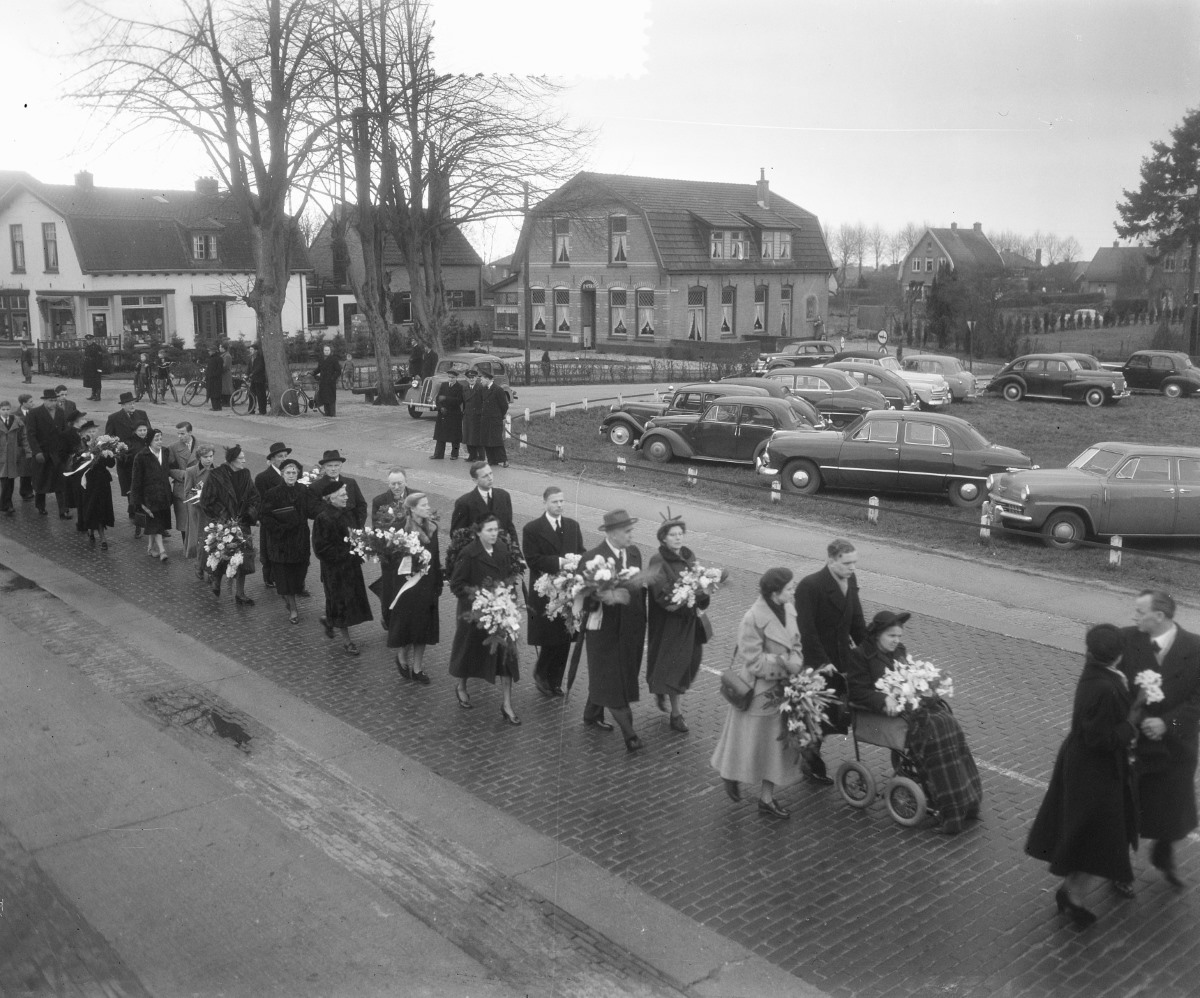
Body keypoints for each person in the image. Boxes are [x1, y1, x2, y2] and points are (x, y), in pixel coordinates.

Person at [1025, 624, 1142, 928]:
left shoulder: (1097, 674)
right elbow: (1102, 740)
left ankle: (1071, 892)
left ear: (1089, 651)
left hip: (1086, 767)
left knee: (1091, 836)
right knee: (1098, 838)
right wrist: (1133, 719)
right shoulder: (1105, 687)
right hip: (1095, 773)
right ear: (1119, 655)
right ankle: (1072, 896)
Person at [846, 610, 982, 834]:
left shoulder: (899, 651)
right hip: (882, 713)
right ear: (877, 634)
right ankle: (949, 809)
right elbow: (857, 693)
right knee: (933, 734)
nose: (896, 641)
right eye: (891, 636)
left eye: (899, 636)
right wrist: (883, 698)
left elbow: (908, 675)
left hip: (909, 708)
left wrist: (922, 685)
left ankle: (967, 800)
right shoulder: (860, 656)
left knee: (948, 723)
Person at [1119, 589, 1200, 891]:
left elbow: (1197, 701)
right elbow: (1115, 687)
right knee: (1127, 804)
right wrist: (1137, 720)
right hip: (1136, 743)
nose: (1134, 616)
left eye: (1140, 612)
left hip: (1176, 745)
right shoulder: (1125, 640)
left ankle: (1164, 854)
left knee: (1173, 805)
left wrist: (1167, 723)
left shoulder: (1196, 648)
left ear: (1160, 616)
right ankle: (1119, 868)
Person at [710, 568, 805, 819]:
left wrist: (795, 662)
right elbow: (753, 662)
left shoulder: (789, 610)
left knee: (775, 748)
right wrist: (783, 663)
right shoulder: (752, 618)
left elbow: (796, 645)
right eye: (790, 588)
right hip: (758, 693)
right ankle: (730, 774)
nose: (793, 592)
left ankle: (767, 798)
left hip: (784, 692)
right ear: (775, 593)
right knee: (747, 744)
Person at [794, 538, 867, 784]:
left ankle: (811, 752)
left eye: (855, 563)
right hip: (818, 662)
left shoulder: (851, 581)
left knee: (837, 712)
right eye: (847, 563)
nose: (852, 568)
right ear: (831, 560)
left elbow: (856, 621)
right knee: (818, 714)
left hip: (842, 659)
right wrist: (822, 662)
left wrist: (868, 652)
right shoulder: (810, 586)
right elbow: (807, 630)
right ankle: (810, 757)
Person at [581, 509, 648, 751]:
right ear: (611, 533)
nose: (631, 535)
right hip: (604, 632)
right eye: (627, 531)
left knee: (611, 677)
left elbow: (640, 591)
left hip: (631, 630)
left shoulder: (634, 553)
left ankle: (591, 712)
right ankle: (630, 735)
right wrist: (604, 596)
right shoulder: (592, 558)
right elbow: (582, 602)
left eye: (632, 530)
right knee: (611, 681)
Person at [448, 513, 521, 722]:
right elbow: (456, 584)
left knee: (507, 657)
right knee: (469, 653)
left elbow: (508, 578)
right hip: (474, 615)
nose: (494, 534)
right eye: (489, 530)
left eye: (496, 530)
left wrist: (508, 601)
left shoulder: (502, 549)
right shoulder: (469, 554)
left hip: (500, 613)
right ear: (478, 532)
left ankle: (507, 704)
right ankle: (461, 684)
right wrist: (480, 601)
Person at [646, 515, 708, 733]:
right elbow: (661, 595)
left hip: (690, 621)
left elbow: (699, 583)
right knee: (676, 666)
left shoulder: (689, 557)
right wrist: (686, 593)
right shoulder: (657, 561)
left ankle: (661, 687)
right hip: (669, 623)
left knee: (692, 661)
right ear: (663, 538)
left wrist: (703, 590)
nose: (678, 538)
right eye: (673, 535)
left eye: (680, 534)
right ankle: (676, 714)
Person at [523, 485, 586, 697]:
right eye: (554, 502)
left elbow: (581, 553)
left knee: (566, 635)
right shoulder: (532, 529)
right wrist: (559, 562)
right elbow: (532, 559)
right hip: (547, 590)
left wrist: (581, 565)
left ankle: (556, 681)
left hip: (568, 591)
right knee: (550, 637)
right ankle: (541, 674)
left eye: (561, 501)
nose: (559, 505)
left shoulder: (572, 526)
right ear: (545, 503)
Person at [384, 492, 443, 684]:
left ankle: (417, 668)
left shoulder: (432, 528)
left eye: (428, 504)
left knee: (423, 629)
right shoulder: (401, 530)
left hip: (427, 585)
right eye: (423, 505)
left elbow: (436, 556)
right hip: (408, 586)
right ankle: (402, 655)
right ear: (412, 508)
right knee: (409, 627)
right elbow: (391, 558)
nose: (428, 508)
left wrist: (438, 582)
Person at [312, 484, 373, 654]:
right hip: (336, 571)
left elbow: (355, 535)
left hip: (351, 567)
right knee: (342, 603)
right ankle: (347, 642)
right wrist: (348, 553)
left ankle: (329, 621)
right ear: (330, 498)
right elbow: (321, 549)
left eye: (346, 494)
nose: (346, 497)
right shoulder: (323, 518)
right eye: (342, 495)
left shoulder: (348, 513)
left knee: (349, 602)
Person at [200, 444, 260, 604]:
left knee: (244, 560)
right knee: (221, 554)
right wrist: (224, 516)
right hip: (223, 523)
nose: (244, 461)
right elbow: (206, 500)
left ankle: (240, 593)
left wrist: (249, 514)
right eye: (241, 458)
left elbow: (254, 497)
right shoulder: (216, 475)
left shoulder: (245, 475)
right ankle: (216, 582)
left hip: (242, 523)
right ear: (232, 460)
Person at [260, 458, 316, 625]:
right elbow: (264, 516)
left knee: (300, 574)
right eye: (288, 472)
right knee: (286, 577)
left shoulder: (304, 490)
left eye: (294, 472)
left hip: (300, 540)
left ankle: (289, 597)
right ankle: (293, 609)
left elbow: (311, 511)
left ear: (298, 474)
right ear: (282, 474)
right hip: (281, 542)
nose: (291, 475)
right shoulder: (272, 493)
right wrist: (280, 528)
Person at [130, 427, 177, 561]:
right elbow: (136, 479)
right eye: (156, 439)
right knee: (156, 523)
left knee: (156, 523)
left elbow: (170, 469)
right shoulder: (141, 456)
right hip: (149, 497)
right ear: (149, 441)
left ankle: (150, 548)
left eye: (161, 439)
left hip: (164, 495)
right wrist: (136, 500)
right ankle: (162, 551)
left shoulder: (165, 452)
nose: (159, 441)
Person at [26, 389, 69, 518]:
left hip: (57, 454)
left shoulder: (60, 413)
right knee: (41, 481)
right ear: (44, 400)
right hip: (42, 454)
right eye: (51, 401)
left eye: (55, 400)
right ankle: (41, 507)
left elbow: (64, 432)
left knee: (60, 482)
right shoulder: (34, 413)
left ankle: (63, 510)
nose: (54, 403)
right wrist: (37, 451)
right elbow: (31, 435)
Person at [254, 442, 292, 588]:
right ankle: (269, 577)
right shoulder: (263, 477)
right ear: (272, 459)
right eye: (279, 456)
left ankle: (285, 575)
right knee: (269, 549)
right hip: (271, 520)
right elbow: (260, 501)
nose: (283, 459)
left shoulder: (291, 474)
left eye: (285, 456)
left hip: (288, 520)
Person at [450, 462, 516, 540]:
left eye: (491, 473)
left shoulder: (504, 496)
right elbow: (457, 534)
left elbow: (509, 527)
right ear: (475, 480)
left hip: (501, 549)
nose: (490, 478)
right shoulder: (464, 503)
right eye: (485, 476)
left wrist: (515, 550)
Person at [104, 391, 150, 498]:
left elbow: (149, 432)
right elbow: (109, 439)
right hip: (126, 459)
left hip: (141, 455)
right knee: (129, 487)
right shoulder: (114, 418)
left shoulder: (142, 414)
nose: (132, 405)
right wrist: (118, 451)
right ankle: (132, 512)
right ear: (123, 405)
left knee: (144, 484)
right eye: (130, 404)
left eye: (133, 403)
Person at [76, 427, 116, 549]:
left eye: (94, 431)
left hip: (102, 481)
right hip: (88, 481)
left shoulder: (103, 445)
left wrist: (109, 453)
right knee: (91, 505)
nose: (92, 434)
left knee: (101, 507)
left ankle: (101, 535)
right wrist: (87, 457)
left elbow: (111, 464)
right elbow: (77, 462)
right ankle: (92, 530)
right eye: (90, 431)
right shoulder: (81, 445)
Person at [308, 450, 367, 528]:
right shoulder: (316, 487)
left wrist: (358, 526)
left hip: (350, 529)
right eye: (330, 466)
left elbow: (361, 505)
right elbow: (312, 512)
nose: (333, 469)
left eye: (336, 465)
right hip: (328, 531)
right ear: (324, 467)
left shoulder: (350, 483)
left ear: (341, 466)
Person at [181, 445, 216, 573]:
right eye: (205, 457)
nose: (209, 460)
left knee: (212, 539)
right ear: (199, 458)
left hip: (213, 511)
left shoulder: (217, 471)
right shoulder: (191, 471)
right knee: (200, 539)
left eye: (211, 456)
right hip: (198, 512)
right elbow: (187, 493)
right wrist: (199, 498)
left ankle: (209, 566)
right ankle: (200, 566)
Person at [0, 399, 32, 516]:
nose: (6, 412)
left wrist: (28, 452)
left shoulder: (16, 421)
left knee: (10, 481)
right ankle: (6, 504)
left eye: (8, 409)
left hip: (13, 456)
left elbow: (24, 437)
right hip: (1, 457)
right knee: (5, 481)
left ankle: (6, 504)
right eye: (3, 409)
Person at [431, 370, 464, 460]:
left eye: (453, 377)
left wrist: (446, 398)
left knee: (455, 436)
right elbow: (438, 398)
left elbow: (459, 400)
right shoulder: (444, 385)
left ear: (456, 378)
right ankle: (438, 454)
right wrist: (440, 408)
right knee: (440, 435)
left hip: (454, 414)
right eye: (449, 377)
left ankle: (454, 454)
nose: (450, 379)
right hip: (443, 413)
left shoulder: (460, 387)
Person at [478, 369, 509, 467]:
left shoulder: (498, 390)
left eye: (482, 379)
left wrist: (499, 416)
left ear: (488, 379)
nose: (481, 381)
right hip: (485, 419)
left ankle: (504, 460)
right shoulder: (483, 389)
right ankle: (492, 460)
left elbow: (504, 406)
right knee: (486, 440)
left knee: (497, 440)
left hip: (495, 419)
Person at [17, 394, 36, 502]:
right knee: (24, 470)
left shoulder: (34, 413)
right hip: (23, 446)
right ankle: (25, 491)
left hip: (33, 444)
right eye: (30, 402)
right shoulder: (16, 415)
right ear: (23, 403)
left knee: (32, 468)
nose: (33, 404)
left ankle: (31, 489)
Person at [313, 344, 341, 416]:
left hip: (330, 382)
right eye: (325, 350)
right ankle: (327, 412)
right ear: (323, 351)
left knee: (331, 398)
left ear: (330, 351)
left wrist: (333, 378)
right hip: (323, 381)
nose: (327, 351)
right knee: (324, 397)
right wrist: (313, 373)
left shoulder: (334, 359)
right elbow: (319, 368)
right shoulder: (321, 359)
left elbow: (338, 371)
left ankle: (332, 413)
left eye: (328, 350)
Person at [461, 369, 483, 462]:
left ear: (476, 378)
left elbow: (483, 402)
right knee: (468, 435)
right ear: (466, 379)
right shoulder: (465, 388)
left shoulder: (480, 388)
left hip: (477, 415)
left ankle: (481, 456)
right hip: (468, 415)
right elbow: (464, 402)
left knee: (477, 437)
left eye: (473, 377)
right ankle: (472, 455)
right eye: (469, 378)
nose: (471, 379)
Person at [246, 344, 268, 415]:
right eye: (250, 349)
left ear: (256, 350)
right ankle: (251, 410)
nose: (250, 351)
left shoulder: (260, 358)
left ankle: (262, 410)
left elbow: (260, 367)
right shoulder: (251, 358)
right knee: (251, 395)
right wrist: (247, 374)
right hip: (253, 379)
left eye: (252, 349)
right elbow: (249, 367)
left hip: (259, 379)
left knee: (260, 395)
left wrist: (253, 373)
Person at [82, 334, 105, 401]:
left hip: (96, 367)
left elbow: (99, 358)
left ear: (93, 340)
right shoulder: (87, 347)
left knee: (97, 381)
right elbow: (86, 357)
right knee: (92, 381)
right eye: (87, 340)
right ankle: (93, 395)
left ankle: (98, 395)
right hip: (89, 367)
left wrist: (99, 368)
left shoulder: (97, 347)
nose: (89, 341)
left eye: (90, 340)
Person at [205, 344, 224, 411]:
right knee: (212, 392)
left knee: (216, 393)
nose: (209, 352)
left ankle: (217, 407)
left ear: (214, 351)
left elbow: (219, 370)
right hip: (211, 378)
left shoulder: (219, 359)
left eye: (210, 351)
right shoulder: (211, 359)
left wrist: (213, 375)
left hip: (216, 379)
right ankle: (215, 406)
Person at [220, 341, 234, 408]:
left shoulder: (227, 356)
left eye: (220, 347)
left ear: (223, 348)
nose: (219, 348)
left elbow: (226, 366)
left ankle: (229, 402)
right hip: (223, 374)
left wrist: (219, 369)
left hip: (226, 374)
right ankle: (225, 402)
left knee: (227, 388)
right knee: (224, 388)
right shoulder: (224, 355)